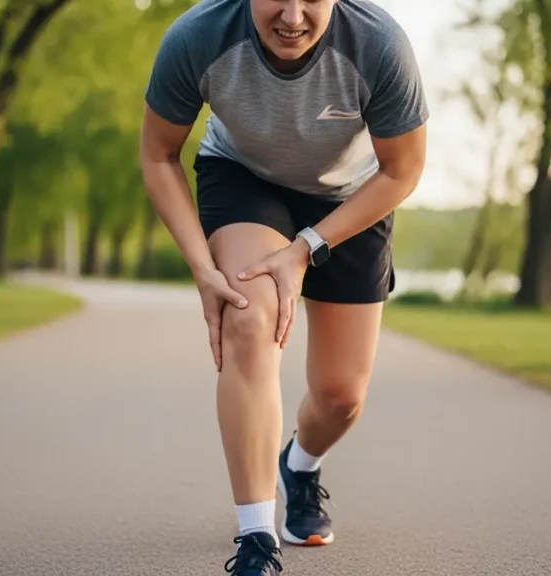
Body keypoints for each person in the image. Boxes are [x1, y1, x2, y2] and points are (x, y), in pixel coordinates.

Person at [139, 0, 428, 573]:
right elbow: (158, 153)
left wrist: (305, 248)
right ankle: (256, 540)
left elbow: (403, 169)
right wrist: (203, 267)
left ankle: (299, 464)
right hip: (245, 180)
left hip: (350, 197)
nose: (292, 16)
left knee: (341, 398)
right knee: (249, 320)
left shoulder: (379, 45)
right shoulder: (198, 37)